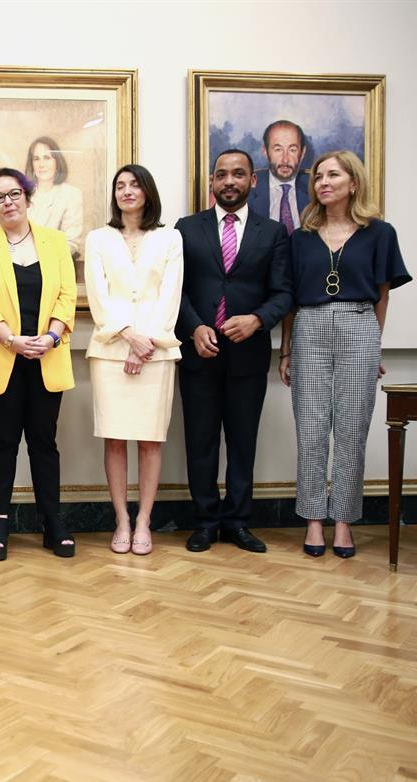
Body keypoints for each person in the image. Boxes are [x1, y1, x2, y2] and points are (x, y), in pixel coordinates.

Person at [279, 150, 410, 558]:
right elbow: (290, 302)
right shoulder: (300, 237)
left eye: (333, 175)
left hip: (359, 324)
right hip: (310, 327)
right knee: (312, 429)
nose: (323, 182)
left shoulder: (380, 233)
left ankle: (344, 522)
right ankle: (314, 520)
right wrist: (285, 353)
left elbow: (383, 296)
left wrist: (374, 346)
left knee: (352, 429)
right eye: (318, 176)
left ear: (354, 183)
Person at [175, 149, 291, 554]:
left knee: (243, 442)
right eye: (221, 174)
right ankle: (206, 521)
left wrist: (257, 320)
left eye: (238, 174)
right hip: (199, 354)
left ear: (252, 181)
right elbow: (178, 290)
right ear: (211, 181)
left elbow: (283, 293)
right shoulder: (186, 229)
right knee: (201, 441)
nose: (229, 181)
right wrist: (194, 327)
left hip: (248, 356)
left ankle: (238, 522)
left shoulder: (273, 233)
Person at [0, 168, 76, 560]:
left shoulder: (55, 241)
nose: (8, 201)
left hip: (47, 356)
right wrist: (11, 339)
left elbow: (66, 294)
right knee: (2, 442)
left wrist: (48, 337)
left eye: (14, 193)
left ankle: (52, 521)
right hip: (4, 356)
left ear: (27, 198)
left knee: (45, 444)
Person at [84, 164, 181, 556]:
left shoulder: (170, 238)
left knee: (150, 442)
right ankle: (121, 520)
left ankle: (144, 522)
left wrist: (147, 344)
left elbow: (170, 294)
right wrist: (128, 336)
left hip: (157, 353)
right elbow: (98, 295)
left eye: (134, 184)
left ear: (147, 191)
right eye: (120, 185)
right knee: (115, 439)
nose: (127, 191)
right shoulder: (98, 239)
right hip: (110, 350)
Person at [25, 136, 84, 259]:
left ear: (57, 162)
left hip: (56, 266)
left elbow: (71, 243)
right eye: (36, 159)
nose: (41, 164)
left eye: (47, 158)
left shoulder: (71, 195)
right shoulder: (22, 194)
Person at [248, 120, 309, 234]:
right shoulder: (248, 189)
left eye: (292, 150)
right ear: (265, 151)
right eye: (278, 149)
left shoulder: (316, 188)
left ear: (302, 153)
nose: (285, 159)